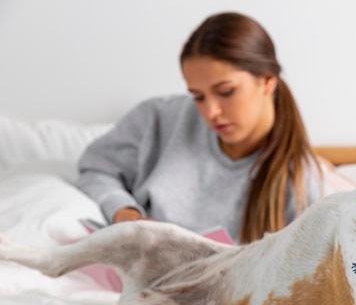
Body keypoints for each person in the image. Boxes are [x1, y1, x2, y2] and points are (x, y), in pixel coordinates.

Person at [76, 12, 330, 244]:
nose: (211, 112)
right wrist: (123, 212)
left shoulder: (301, 182)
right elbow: (95, 170)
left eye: (225, 92)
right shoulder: (156, 119)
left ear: (267, 82)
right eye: (198, 96)